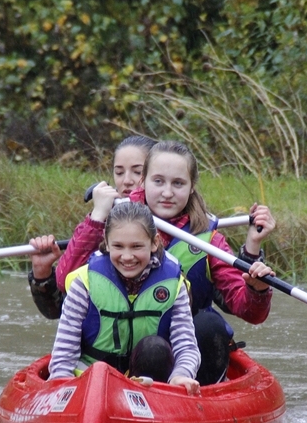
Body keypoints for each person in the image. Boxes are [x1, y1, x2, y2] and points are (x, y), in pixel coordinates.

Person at [55, 140, 276, 385]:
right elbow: (65, 281)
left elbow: (249, 312)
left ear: (191, 187)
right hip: (116, 352)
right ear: (143, 181)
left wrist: (254, 264)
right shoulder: (116, 222)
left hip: (180, 352)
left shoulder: (209, 241)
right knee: (150, 347)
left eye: (178, 183)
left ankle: (193, 391)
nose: (167, 193)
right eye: (158, 181)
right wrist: (97, 217)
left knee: (208, 325)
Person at [47, 201, 201, 396]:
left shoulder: (174, 284)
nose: (127, 257)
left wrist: (181, 375)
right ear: (107, 242)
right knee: (93, 370)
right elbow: (64, 351)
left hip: (150, 381)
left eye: (136, 246)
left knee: (155, 349)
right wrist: (61, 383)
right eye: (118, 246)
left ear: (154, 243)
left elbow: (186, 345)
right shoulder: (84, 282)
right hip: (91, 379)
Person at [28, 135, 157, 319]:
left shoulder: (182, 227)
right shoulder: (100, 223)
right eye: (119, 173)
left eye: (137, 172)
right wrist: (42, 274)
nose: (126, 181)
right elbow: (60, 307)